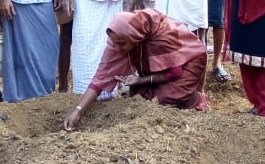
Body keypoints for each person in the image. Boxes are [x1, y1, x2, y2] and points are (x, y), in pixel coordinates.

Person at [63, 9, 210, 131]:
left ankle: (196, 100)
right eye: (115, 43)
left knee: (166, 98)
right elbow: (100, 78)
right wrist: (78, 110)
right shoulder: (118, 41)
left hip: (188, 62)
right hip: (162, 72)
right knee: (141, 98)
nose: (117, 48)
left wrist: (140, 80)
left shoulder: (160, 37)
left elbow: (175, 72)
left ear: (135, 37)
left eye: (122, 44)